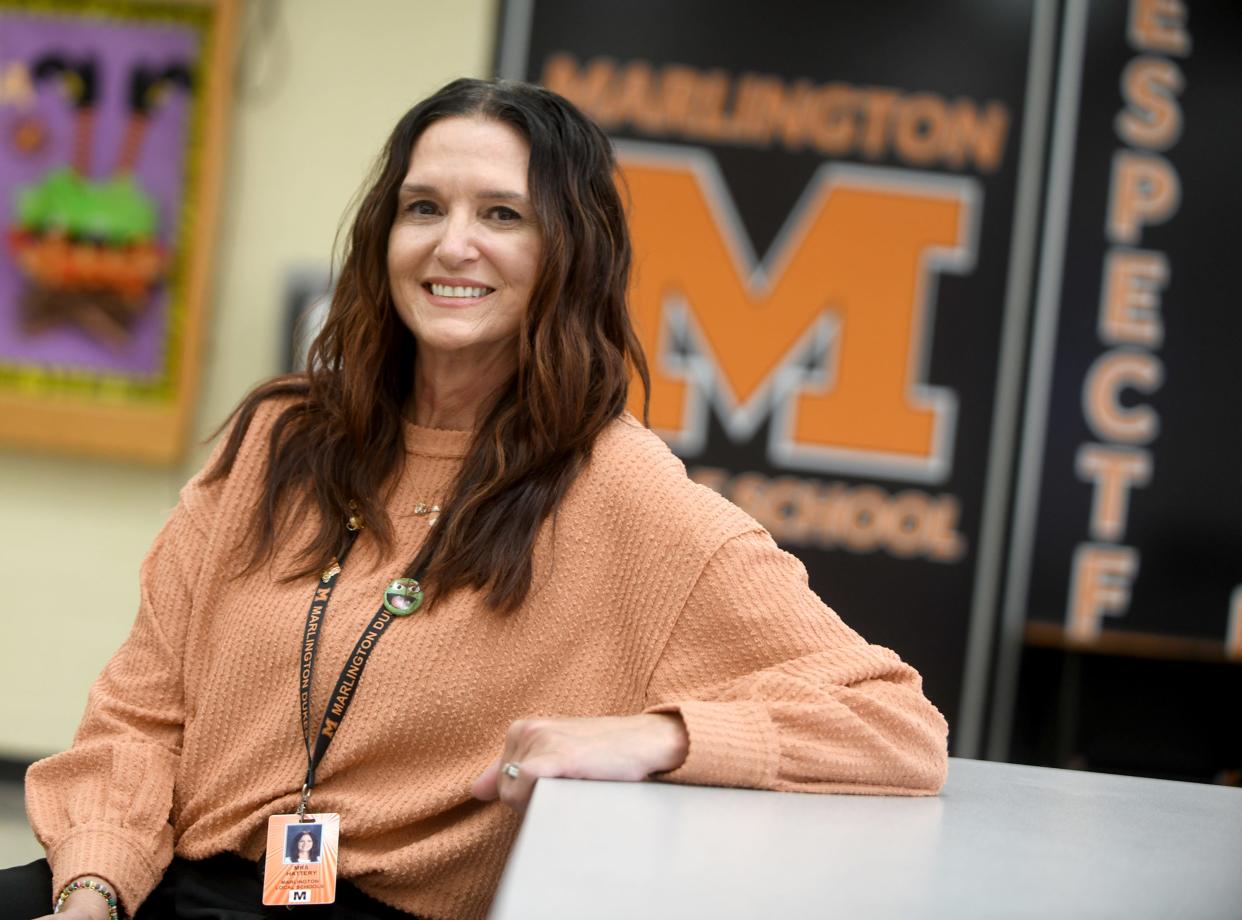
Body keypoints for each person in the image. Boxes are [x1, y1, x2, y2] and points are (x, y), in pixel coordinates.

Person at [7, 77, 948, 920]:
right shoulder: (280, 440)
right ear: (385, 237)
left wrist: (661, 736)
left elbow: (895, 726)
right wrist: (93, 887)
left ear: (566, 250)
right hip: (162, 880)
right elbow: (140, 715)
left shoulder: (621, 491)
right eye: (425, 206)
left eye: (502, 214)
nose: (453, 243)